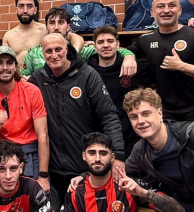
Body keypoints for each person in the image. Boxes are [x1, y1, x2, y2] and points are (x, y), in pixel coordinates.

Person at [29, 34, 126, 200]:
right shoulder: (38, 78)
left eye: (58, 49)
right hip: (53, 171)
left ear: (67, 48)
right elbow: (16, 89)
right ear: (42, 53)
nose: (54, 55)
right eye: (48, 51)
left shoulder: (87, 75)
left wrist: (118, 155)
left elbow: (108, 116)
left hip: (85, 169)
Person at [129, 0, 194, 120]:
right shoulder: (146, 39)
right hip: (162, 110)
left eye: (171, 6)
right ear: (152, 12)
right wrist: (128, 56)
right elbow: (123, 51)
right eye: (160, 6)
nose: (166, 10)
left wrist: (181, 66)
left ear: (179, 10)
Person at [0, 46, 50, 192]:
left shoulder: (31, 91)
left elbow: (43, 135)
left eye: (9, 63)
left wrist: (43, 176)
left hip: (30, 152)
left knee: (34, 196)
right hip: (2, 151)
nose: (5, 67)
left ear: (16, 66)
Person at [86, 26, 151, 157]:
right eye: (100, 42)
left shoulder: (134, 68)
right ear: (94, 46)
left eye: (110, 41)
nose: (105, 45)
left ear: (117, 44)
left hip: (131, 137)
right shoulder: (87, 71)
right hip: (98, 137)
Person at [20, 7, 137, 77]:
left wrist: (129, 57)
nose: (56, 27)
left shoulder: (81, 49)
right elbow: (22, 77)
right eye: (52, 23)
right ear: (46, 27)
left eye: (61, 22)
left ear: (68, 27)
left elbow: (111, 50)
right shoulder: (33, 53)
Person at [2, 0, 47, 64]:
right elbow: (4, 61)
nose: (25, 10)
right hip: (17, 71)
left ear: (35, 10)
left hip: (38, 71)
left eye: (29, 6)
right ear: (16, 9)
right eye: (21, 6)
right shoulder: (8, 35)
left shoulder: (45, 31)